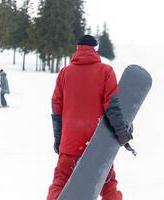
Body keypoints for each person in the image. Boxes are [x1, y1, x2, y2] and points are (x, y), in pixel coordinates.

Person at [47, 35, 133, 200]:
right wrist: (121, 132)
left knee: (60, 182)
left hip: (69, 144)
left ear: (77, 48)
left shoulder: (65, 73)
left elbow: (56, 110)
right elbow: (112, 107)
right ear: (96, 49)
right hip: (96, 144)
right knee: (108, 184)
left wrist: (59, 139)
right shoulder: (106, 71)